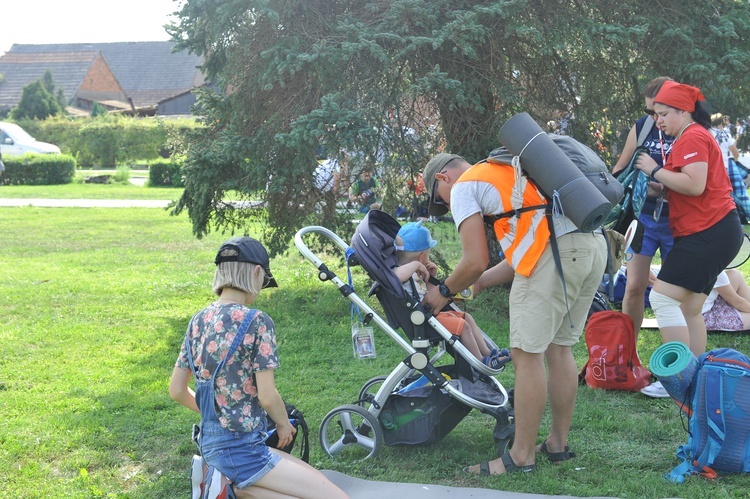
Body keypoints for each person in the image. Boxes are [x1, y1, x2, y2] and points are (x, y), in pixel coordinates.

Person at [422, 151, 607, 476]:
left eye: (442, 201)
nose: (448, 207)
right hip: (591, 245)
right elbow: (516, 257)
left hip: (558, 255)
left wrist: (444, 291)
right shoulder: (505, 171)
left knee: (526, 354)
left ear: (442, 178)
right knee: (559, 348)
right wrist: (475, 286)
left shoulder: (464, 186)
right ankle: (557, 444)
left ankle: (521, 455)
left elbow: (474, 260)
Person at [169, 237, 348, 499]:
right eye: (264, 281)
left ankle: (227, 486)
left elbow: (176, 391)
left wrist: (220, 413)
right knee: (337, 496)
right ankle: (228, 485)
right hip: (244, 450)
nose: (261, 289)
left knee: (304, 484)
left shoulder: (198, 320)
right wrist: (283, 425)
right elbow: (267, 396)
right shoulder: (257, 321)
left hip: (210, 445)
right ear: (256, 272)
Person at [635, 80, 744, 357]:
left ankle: (677, 374)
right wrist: (659, 185)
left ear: (684, 111)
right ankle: (693, 378)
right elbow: (691, 187)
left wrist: (654, 170)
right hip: (714, 231)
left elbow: (694, 185)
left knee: (661, 298)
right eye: (655, 114)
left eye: (663, 114)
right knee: (690, 309)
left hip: (708, 232)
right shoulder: (691, 135)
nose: (657, 121)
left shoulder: (692, 136)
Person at [612, 77, 676, 398]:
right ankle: (627, 358)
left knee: (670, 295)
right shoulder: (643, 126)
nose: (654, 118)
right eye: (649, 111)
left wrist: (657, 176)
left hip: (678, 220)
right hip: (643, 218)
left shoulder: (688, 131)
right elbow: (621, 168)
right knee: (634, 287)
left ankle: (672, 367)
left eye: (659, 111)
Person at [393, 221, 510, 369]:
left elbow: (428, 293)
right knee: (463, 326)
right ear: (422, 257)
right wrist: (417, 265)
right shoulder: (399, 271)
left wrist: (430, 276)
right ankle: (480, 361)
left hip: (431, 314)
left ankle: (489, 353)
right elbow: (396, 277)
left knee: (466, 317)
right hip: (424, 320)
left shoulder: (417, 273)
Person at [710, 113, 750, 222]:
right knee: (729, 195)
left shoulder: (707, 132)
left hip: (710, 169)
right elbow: (735, 153)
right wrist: (735, 161)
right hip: (724, 167)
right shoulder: (725, 134)